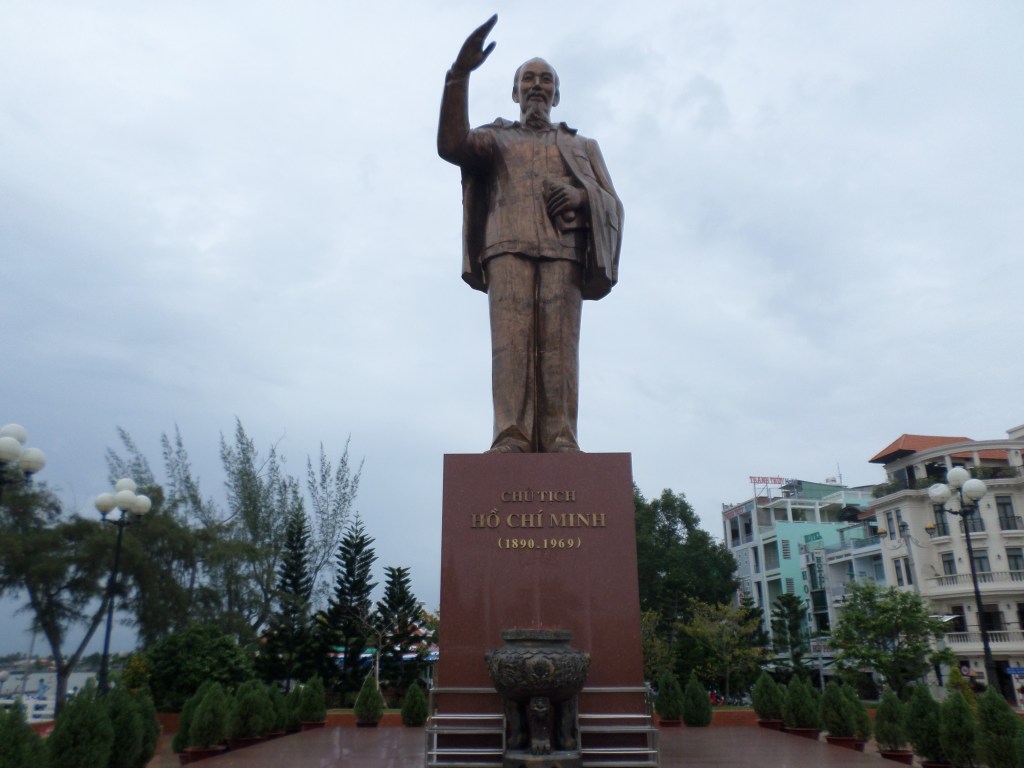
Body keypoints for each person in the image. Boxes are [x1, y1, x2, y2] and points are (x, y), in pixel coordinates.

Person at [438, 15, 623, 454]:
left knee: (560, 353)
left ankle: (561, 437)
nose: (537, 86)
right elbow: (451, 146)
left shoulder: (582, 147)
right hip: (507, 249)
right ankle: (511, 436)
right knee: (510, 350)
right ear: (515, 91)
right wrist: (458, 76)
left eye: (546, 80)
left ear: (557, 94)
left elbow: (612, 203)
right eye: (528, 79)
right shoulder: (495, 138)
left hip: (564, 253)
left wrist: (582, 198)